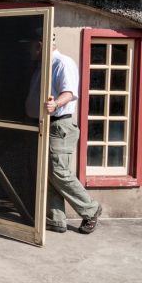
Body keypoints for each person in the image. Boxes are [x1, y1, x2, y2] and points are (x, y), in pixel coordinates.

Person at [27, 33, 102, 234]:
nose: (28, 49)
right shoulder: (43, 65)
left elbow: (69, 93)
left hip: (59, 125)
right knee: (49, 173)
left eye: (31, 45)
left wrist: (55, 104)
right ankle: (56, 219)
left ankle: (90, 209)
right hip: (46, 124)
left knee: (58, 172)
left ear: (40, 44)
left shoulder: (62, 63)